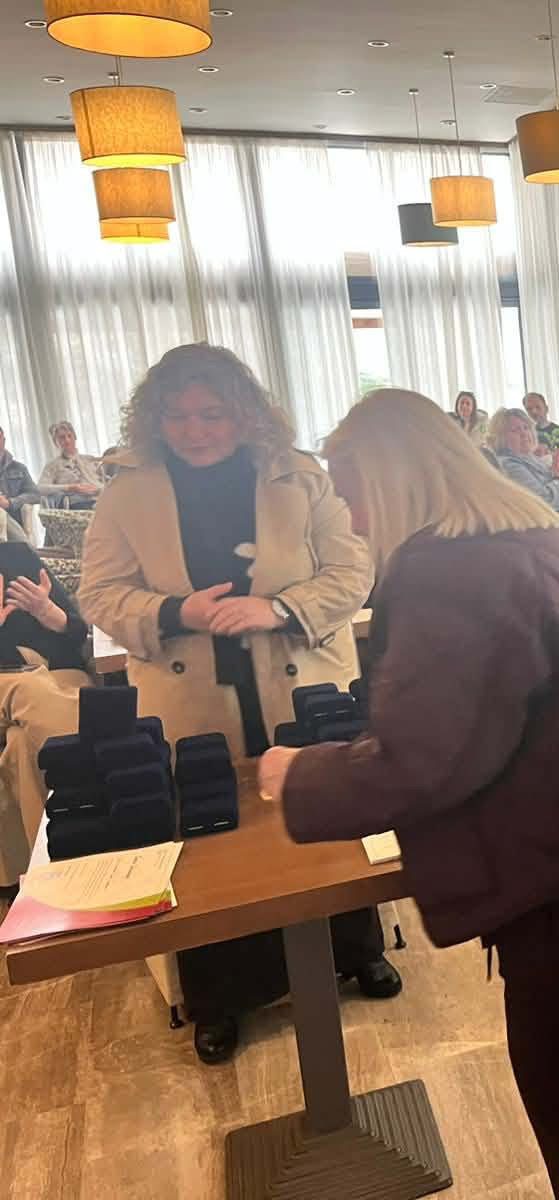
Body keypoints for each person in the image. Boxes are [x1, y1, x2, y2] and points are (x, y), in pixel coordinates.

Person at [256, 389, 559, 1200]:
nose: (354, 521)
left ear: (389, 478)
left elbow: (421, 757)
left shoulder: (447, 571)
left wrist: (300, 777)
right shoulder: (536, 531)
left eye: (353, 496)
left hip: (551, 889)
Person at [78, 343, 400, 1065]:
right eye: (178, 415)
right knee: (209, 839)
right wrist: (175, 610)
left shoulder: (300, 475)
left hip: (299, 674)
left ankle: (357, 950)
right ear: (154, 418)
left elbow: (354, 568)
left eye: (213, 413)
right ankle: (219, 996)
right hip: (190, 689)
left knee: (325, 809)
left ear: (245, 412)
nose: (195, 430)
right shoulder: (126, 492)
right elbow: (98, 593)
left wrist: (279, 607)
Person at [0, 540, 91, 886]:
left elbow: (78, 632)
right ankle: (100, 823)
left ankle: (52, 872)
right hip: (13, 684)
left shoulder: (16, 556)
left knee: (22, 746)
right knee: (30, 690)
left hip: (61, 679)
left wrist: (49, 613)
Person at [488, 408, 559, 526]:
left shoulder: (532, 457)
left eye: (526, 427)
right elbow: (544, 502)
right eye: (515, 430)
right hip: (550, 528)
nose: (524, 433)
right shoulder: (507, 465)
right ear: (500, 437)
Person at [38, 420, 107, 510]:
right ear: (55, 442)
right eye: (62, 438)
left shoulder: (90, 459)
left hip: (102, 499)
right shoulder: (52, 465)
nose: (67, 440)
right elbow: (40, 488)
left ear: (75, 437)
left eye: (70, 436)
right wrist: (69, 488)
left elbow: (105, 482)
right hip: (78, 504)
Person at [0, 426, 43, 524]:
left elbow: (35, 495)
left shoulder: (19, 468)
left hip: (13, 518)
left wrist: (10, 503)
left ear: (4, 440)